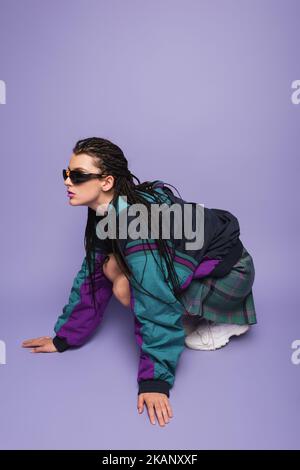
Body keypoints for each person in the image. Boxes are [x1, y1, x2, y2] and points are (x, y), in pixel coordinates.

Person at [22, 137, 257, 427]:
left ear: (106, 182)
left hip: (231, 276)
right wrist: (64, 338)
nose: (68, 182)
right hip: (208, 266)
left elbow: (155, 305)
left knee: (128, 287)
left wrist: (155, 382)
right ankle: (189, 312)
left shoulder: (138, 227)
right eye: (66, 173)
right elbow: (91, 278)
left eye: (78, 176)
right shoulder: (109, 212)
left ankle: (231, 320)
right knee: (110, 267)